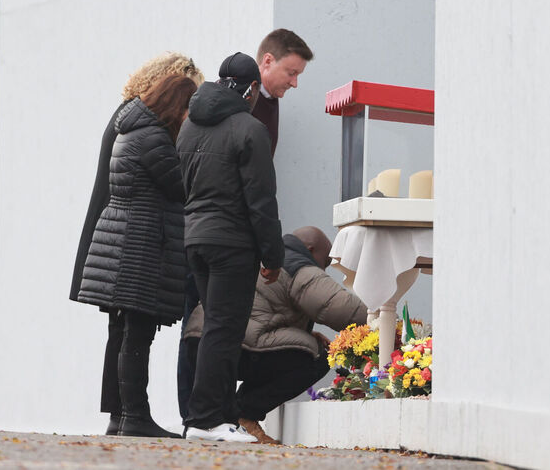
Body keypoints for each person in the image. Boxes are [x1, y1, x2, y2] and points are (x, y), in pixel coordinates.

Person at [69, 53, 203, 436]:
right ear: (176, 104)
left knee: (127, 332)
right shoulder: (153, 138)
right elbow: (182, 187)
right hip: (138, 246)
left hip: (125, 242)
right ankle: (134, 417)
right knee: (136, 334)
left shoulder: (131, 127)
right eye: (189, 109)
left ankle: (124, 416)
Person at [176, 52, 284, 442]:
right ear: (252, 88)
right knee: (224, 329)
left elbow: (183, 185)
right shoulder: (250, 129)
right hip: (232, 244)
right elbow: (261, 200)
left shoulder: (189, 127)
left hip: (196, 239)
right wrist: (273, 255)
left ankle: (220, 418)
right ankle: (204, 419)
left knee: (217, 328)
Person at [182, 227, 368, 443]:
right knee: (319, 355)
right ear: (310, 249)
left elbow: (260, 313)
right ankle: (245, 414)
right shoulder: (296, 263)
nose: (323, 269)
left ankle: (218, 420)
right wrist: (384, 321)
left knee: (302, 342)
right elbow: (342, 308)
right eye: (325, 261)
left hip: (199, 339)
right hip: (237, 344)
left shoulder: (259, 255)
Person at [251, 29, 313, 157]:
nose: (294, 84)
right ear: (268, 61)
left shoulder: (270, 96)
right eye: (291, 73)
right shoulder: (241, 98)